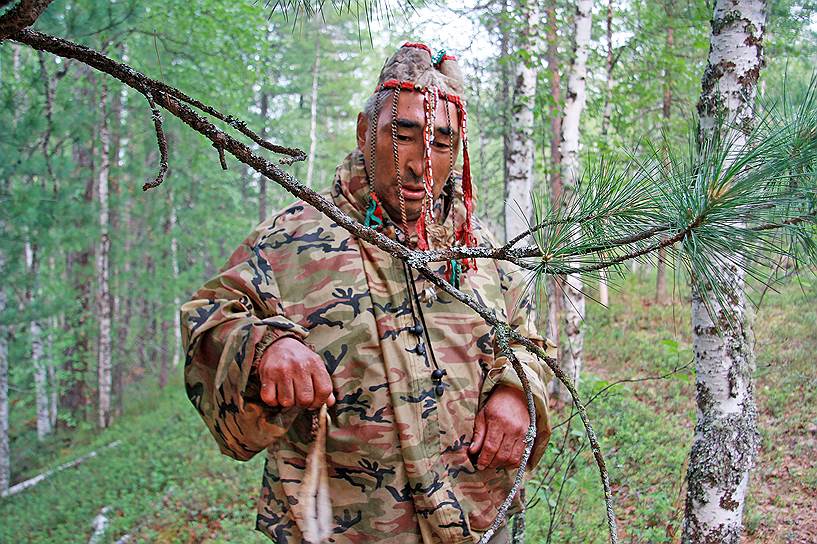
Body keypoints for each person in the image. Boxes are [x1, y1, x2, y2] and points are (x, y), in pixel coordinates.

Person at [180, 42, 555, 544]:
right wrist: (267, 347)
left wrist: (514, 391)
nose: (421, 164)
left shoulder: (483, 250)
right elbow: (210, 322)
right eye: (403, 135)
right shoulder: (293, 240)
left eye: (442, 143)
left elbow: (531, 346)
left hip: (477, 523)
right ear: (364, 132)